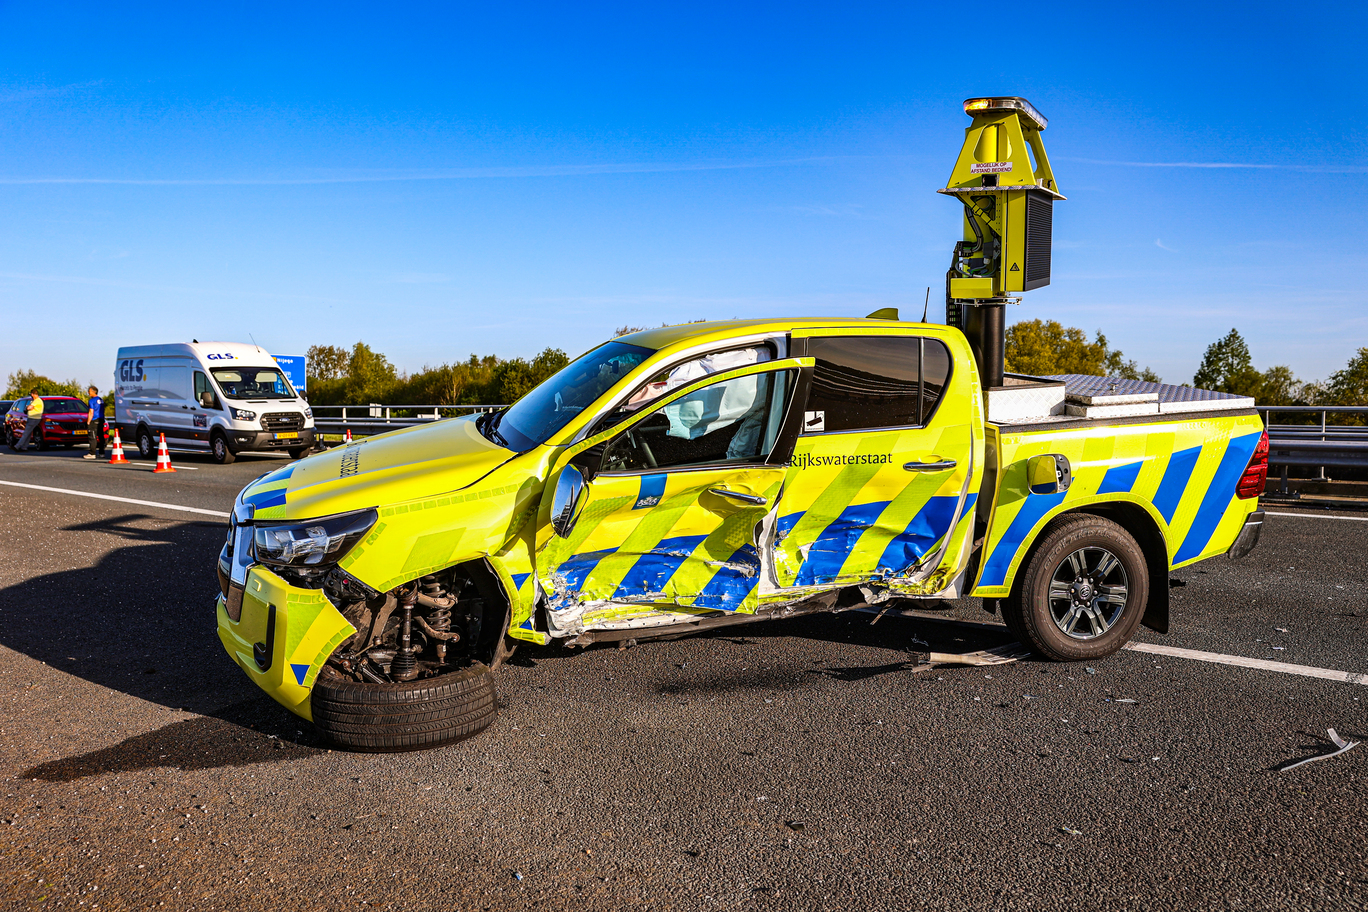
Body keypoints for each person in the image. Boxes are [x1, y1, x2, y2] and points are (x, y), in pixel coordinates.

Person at [83, 385, 107, 459]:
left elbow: (91, 411)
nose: (88, 393)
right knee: (101, 436)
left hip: (94, 419)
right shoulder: (101, 400)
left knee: (92, 437)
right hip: (101, 419)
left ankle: (92, 453)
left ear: (93, 392)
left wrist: (88, 421)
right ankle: (102, 453)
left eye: (89, 391)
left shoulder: (92, 401)